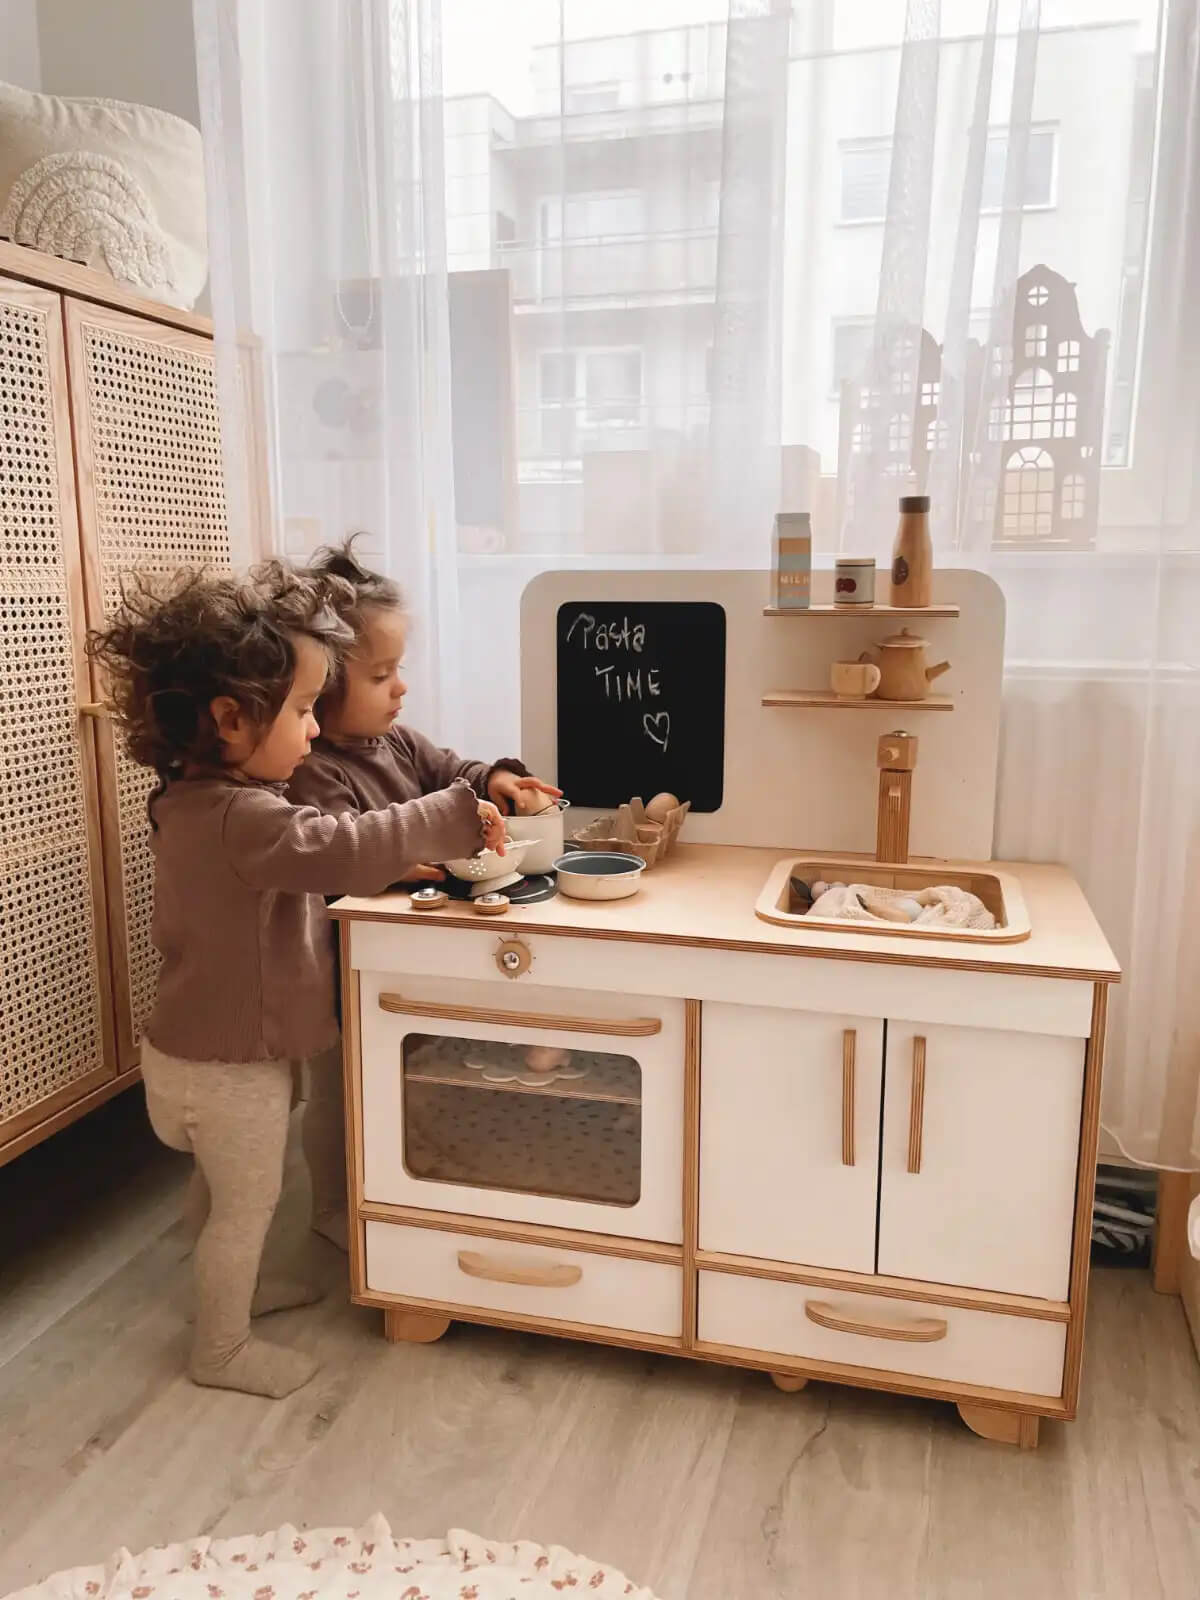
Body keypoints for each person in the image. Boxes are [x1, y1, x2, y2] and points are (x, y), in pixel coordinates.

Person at [88, 562, 504, 1398]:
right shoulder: (250, 819)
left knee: (219, 1192)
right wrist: (456, 810)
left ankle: (230, 1293)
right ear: (231, 720)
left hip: (188, 1055)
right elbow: (340, 846)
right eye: (304, 710)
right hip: (229, 1068)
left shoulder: (190, 798)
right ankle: (221, 1350)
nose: (314, 731)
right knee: (246, 1209)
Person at [286, 537, 560, 1252]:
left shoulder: (397, 742)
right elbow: (336, 849)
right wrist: (394, 865)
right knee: (341, 1096)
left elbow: (451, 770)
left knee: (409, 1079)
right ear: (321, 685)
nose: (400, 687)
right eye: (382, 675)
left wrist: (496, 780)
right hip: (340, 971)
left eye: (397, 669)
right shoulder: (314, 769)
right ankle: (334, 1205)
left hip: (409, 951)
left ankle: (412, 1181)